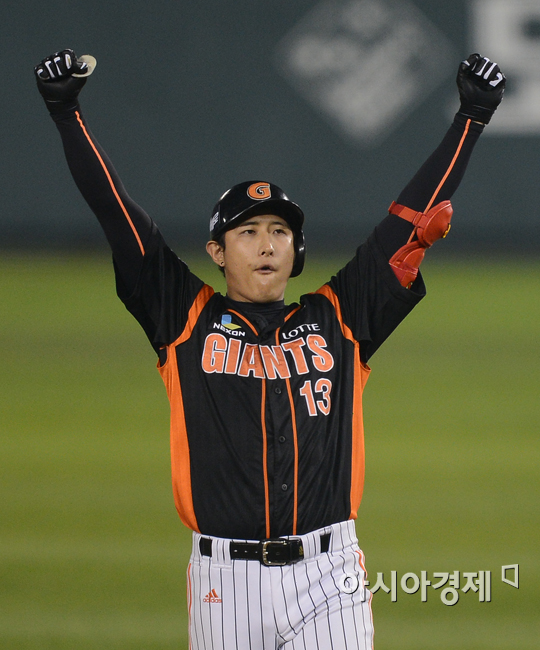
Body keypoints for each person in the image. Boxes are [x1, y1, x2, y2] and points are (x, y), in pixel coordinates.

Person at [34, 49, 505, 650]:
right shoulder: (183, 317)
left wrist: (471, 117)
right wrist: (66, 113)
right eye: (248, 231)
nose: (266, 244)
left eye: (280, 231)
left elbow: (411, 222)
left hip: (330, 576)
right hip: (223, 584)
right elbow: (117, 214)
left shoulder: (341, 317)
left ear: (296, 251)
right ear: (217, 251)